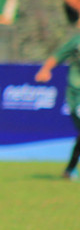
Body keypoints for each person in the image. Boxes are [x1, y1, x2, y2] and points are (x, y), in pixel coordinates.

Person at [34, 24, 80, 180]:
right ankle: (70, 170)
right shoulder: (77, 42)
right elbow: (58, 55)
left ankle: (69, 170)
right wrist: (45, 69)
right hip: (77, 95)